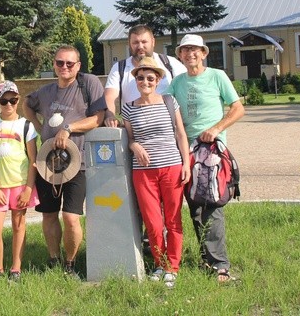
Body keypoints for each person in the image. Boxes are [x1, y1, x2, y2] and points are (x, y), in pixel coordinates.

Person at [23, 45, 106, 279]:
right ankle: (53, 259)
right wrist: (39, 127)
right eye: (60, 63)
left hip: (77, 163)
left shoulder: (87, 83)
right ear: (54, 65)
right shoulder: (46, 91)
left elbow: (97, 118)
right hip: (47, 163)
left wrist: (68, 129)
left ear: (78, 65)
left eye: (70, 63)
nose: (64, 67)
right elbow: (26, 103)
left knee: (70, 217)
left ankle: (70, 263)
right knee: (49, 214)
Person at [166, 34, 245, 283]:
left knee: (211, 204)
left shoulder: (217, 76)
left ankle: (220, 265)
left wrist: (217, 128)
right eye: (185, 50)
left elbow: (238, 108)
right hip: (184, 152)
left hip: (210, 152)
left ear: (204, 53)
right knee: (194, 204)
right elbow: (162, 106)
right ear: (179, 55)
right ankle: (206, 259)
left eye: (195, 50)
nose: (191, 54)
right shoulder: (177, 82)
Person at [121, 56, 190, 289]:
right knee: (152, 221)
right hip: (144, 172)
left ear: (158, 79)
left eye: (150, 78)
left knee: (172, 219)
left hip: (171, 167)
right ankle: (159, 264)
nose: (145, 81)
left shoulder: (170, 102)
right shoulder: (128, 108)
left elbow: (181, 134)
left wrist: (186, 164)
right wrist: (134, 145)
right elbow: (129, 138)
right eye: (140, 78)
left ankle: (173, 266)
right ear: (136, 80)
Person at [0, 81, 40, 282]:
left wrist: (28, 189)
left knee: (18, 225)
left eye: (13, 100)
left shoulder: (26, 126)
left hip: (20, 184)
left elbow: (34, 160)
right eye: (4, 101)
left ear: (18, 100)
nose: (8, 105)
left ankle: (16, 268)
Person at [104, 24, 186, 127]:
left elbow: (188, 91)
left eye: (144, 42)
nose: (140, 46)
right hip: (135, 131)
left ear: (153, 42)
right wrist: (110, 115)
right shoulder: (119, 68)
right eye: (135, 43)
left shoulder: (170, 64)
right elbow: (110, 96)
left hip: (168, 132)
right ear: (129, 44)